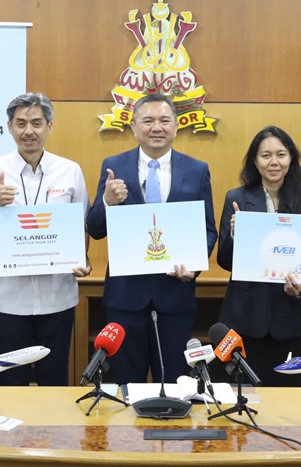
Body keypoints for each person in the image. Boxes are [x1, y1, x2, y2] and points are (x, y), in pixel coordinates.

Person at [86, 92, 218, 384]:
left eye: (164, 120)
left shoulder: (197, 170)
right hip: (125, 299)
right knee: (127, 385)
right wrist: (107, 201)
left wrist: (194, 266)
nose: (156, 127)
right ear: (134, 127)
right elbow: (95, 228)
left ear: (176, 126)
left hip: (175, 298)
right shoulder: (114, 166)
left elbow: (208, 230)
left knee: (174, 385)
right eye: (148, 121)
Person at [0, 93, 91, 386]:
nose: (29, 131)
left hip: (58, 298)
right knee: (11, 385)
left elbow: (82, 225)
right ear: (9, 127)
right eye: (21, 123)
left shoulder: (70, 170)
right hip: (9, 301)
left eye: (37, 123)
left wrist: (82, 259)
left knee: (55, 382)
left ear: (49, 126)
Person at [216, 126, 301, 387]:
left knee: (287, 397)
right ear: (255, 160)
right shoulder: (237, 198)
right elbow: (224, 261)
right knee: (242, 394)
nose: (274, 162)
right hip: (245, 317)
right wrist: (235, 236)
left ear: (291, 158)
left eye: (281, 155)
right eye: (266, 155)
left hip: (289, 319)